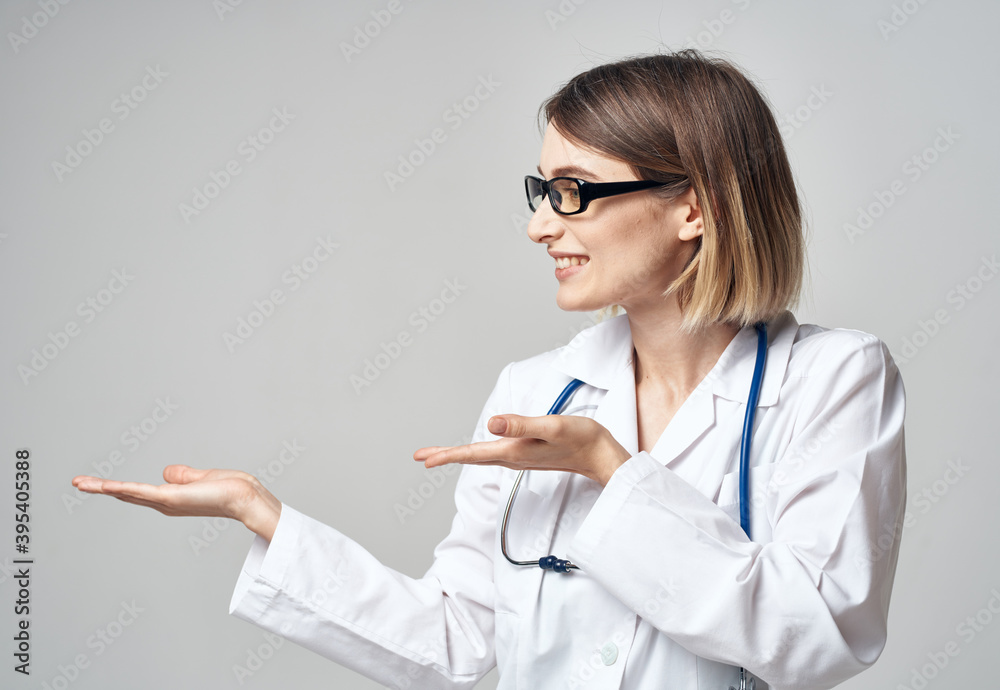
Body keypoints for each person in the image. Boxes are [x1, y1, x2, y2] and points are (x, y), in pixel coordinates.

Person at [71, 48, 907, 690]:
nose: (542, 226)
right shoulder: (533, 390)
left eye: (574, 190)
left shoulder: (835, 380)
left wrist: (608, 470)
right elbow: (462, 645)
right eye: (541, 190)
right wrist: (267, 520)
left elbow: (820, 633)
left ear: (695, 206)